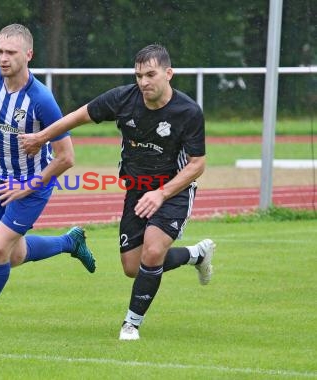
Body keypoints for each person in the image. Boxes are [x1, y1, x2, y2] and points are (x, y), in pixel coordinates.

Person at [20, 44, 215, 341]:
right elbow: (78, 116)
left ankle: (130, 324)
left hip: (173, 190)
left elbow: (197, 164)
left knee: (152, 250)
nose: (143, 82)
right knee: (133, 267)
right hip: (136, 190)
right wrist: (42, 137)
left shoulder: (187, 111)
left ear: (168, 73)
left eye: (150, 74)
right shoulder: (123, 99)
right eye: (138, 75)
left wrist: (161, 194)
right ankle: (195, 255)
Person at [0, 24, 96, 335]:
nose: (3, 59)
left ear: (28, 55)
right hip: (0, 182)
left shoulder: (41, 99)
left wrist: (28, 186)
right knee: (13, 255)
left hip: (33, 185)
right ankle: (69, 242)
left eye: (10, 53)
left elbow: (67, 157)